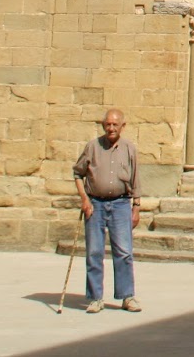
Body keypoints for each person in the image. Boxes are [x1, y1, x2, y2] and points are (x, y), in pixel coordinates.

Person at [72, 108, 142, 313]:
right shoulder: (92, 147)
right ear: (103, 125)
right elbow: (78, 174)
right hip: (95, 204)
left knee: (124, 252)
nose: (111, 128)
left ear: (122, 126)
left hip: (121, 204)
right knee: (94, 252)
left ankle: (127, 296)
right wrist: (84, 199)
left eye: (115, 124)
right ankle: (95, 298)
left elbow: (136, 179)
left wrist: (136, 207)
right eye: (108, 124)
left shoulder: (129, 148)